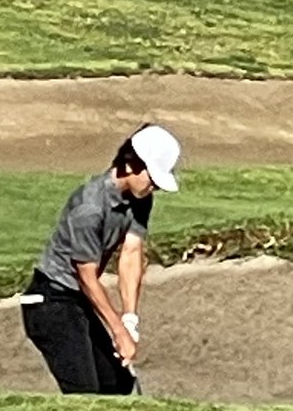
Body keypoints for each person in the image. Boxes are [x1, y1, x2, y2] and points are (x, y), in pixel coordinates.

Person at [20, 123, 181, 395]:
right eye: (152, 177)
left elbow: (131, 254)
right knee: (86, 392)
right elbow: (86, 277)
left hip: (79, 301)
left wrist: (130, 319)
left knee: (117, 386)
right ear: (130, 164)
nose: (155, 187)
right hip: (51, 302)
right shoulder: (89, 208)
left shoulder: (140, 198)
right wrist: (118, 332)